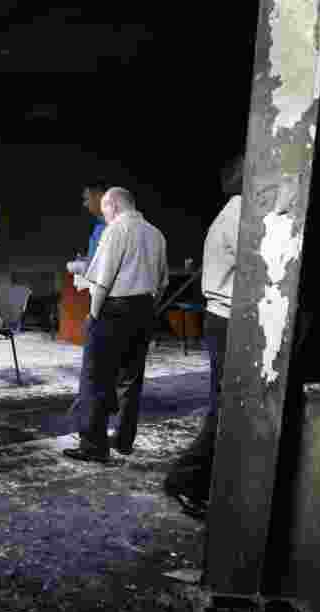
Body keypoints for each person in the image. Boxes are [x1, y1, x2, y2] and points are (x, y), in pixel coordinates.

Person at [163, 154, 244, 516]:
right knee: (228, 408)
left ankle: (201, 478)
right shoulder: (240, 215)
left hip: (224, 319)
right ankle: (187, 479)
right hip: (228, 320)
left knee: (227, 406)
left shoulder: (233, 213)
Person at [64, 187, 169, 463]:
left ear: (114, 206)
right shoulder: (156, 234)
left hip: (113, 309)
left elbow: (102, 280)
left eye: (105, 210)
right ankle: (123, 440)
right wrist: (149, 309)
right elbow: (163, 283)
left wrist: (93, 314)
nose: (105, 216)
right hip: (144, 309)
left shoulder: (115, 230)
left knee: (96, 377)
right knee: (131, 379)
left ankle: (94, 446)